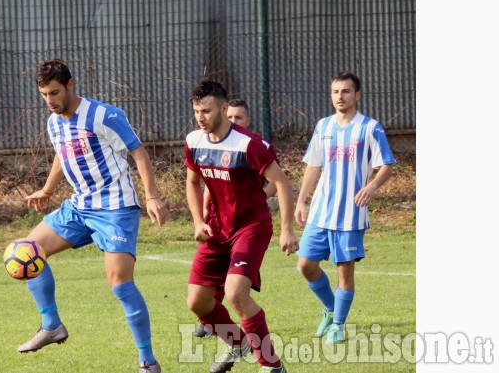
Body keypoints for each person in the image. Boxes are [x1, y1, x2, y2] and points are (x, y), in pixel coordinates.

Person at [16, 59, 168, 373]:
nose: (50, 101)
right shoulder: (54, 122)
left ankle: (148, 362)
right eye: (44, 94)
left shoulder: (105, 115)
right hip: (80, 207)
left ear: (70, 85)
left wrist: (151, 196)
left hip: (115, 209)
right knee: (26, 252)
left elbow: (138, 152)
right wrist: (47, 189)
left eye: (55, 92)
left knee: (120, 284)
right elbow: (63, 153)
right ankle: (52, 325)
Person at [184, 80, 298, 373]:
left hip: (251, 227)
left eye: (206, 110)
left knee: (235, 293)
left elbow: (282, 183)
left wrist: (287, 229)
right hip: (216, 229)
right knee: (197, 302)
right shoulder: (194, 141)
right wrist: (198, 221)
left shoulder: (249, 144)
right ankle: (237, 342)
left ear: (223, 108)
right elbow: (192, 182)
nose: (200, 117)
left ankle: (271, 365)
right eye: (196, 110)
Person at [293, 71, 395, 344]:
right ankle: (330, 308)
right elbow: (313, 164)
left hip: (350, 215)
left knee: (343, 271)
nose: (340, 96)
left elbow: (386, 163)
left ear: (357, 95)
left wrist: (372, 186)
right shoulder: (323, 126)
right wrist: (301, 200)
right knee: (305, 264)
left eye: (346, 91)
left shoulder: (370, 127)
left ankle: (338, 324)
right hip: (320, 212)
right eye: (336, 91)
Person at [192, 98, 277, 339]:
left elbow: (277, 182)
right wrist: (204, 212)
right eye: (230, 117)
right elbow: (211, 180)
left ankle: (267, 360)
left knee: (235, 290)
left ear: (247, 121)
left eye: (238, 118)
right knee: (200, 296)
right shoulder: (207, 143)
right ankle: (215, 321)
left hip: (248, 225)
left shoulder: (254, 146)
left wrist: (258, 198)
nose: (233, 121)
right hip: (221, 224)